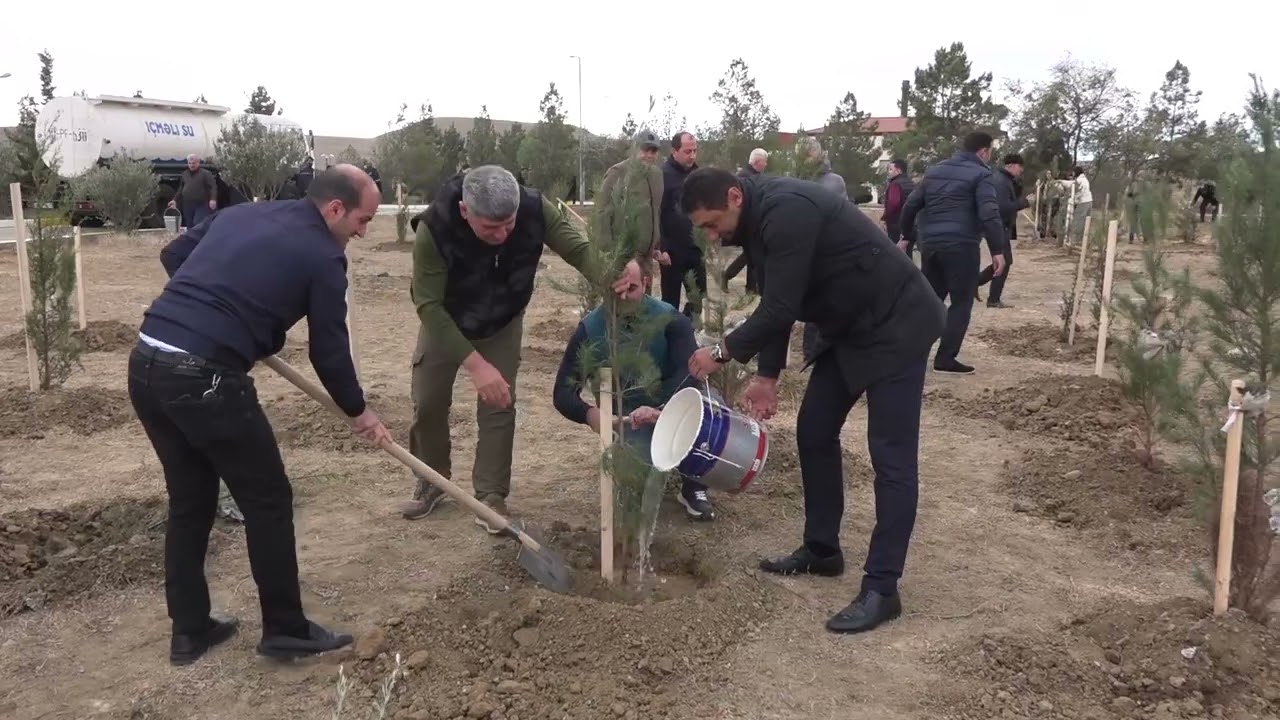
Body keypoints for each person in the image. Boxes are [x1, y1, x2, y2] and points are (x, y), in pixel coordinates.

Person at [133, 164, 388, 665]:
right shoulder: (324, 256)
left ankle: (189, 632)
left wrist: (214, 307)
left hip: (146, 362)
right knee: (267, 498)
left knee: (190, 501)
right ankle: (286, 629)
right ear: (335, 209)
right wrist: (359, 411)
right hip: (203, 377)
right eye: (363, 220)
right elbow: (330, 355)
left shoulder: (240, 215)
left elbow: (174, 253)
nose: (363, 231)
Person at [679, 167, 946, 634]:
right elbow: (781, 301)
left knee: (892, 457)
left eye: (711, 222)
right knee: (814, 431)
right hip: (849, 329)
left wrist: (721, 353)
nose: (711, 235)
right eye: (702, 228)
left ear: (735, 197)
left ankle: (883, 587)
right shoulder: (756, 223)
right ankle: (823, 550)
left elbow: (780, 308)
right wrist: (766, 374)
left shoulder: (787, 212)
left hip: (898, 325)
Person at [398, 165, 643, 529]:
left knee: (499, 404)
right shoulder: (435, 228)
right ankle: (432, 480)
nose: (501, 235)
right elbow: (429, 305)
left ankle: (491, 496)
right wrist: (476, 365)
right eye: (490, 228)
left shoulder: (534, 208)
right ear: (466, 211)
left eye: (508, 224)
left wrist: (615, 273)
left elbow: (578, 250)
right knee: (429, 401)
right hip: (445, 321)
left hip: (503, 320)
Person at [551, 288, 717, 520]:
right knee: (636, 484)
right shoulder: (590, 330)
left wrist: (660, 411)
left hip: (672, 407)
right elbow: (562, 393)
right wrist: (589, 414)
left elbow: (689, 375)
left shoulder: (669, 319)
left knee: (712, 410)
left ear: (646, 282)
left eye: (631, 288)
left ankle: (694, 487)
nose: (623, 296)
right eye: (615, 289)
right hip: (631, 421)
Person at [899, 131, 1007, 374]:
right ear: (983, 151)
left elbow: (910, 206)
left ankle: (911, 354)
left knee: (931, 301)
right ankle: (945, 358)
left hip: (931, 246)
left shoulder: (935, 171)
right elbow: (989, 213)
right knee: (961, 302)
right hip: (962, 245)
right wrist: (997, 250)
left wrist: (907, 236)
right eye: (990, 152)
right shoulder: (982, 174)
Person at [599, 130, 664, 295]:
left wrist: (656, 245)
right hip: (624, 255)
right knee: (624, 302)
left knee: (645, 304)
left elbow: (655, 212)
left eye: (653, 151)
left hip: (647, 256)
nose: (649, 155)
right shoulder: (618, 172)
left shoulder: (656, 175)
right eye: (645, 150)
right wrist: (609, 254)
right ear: (635, 149)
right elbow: (602, 212)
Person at [658, 131, 707, 323]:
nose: (692, 155)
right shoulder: (663, 175)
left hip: (695, 248)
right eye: (688, 151)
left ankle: (687, 332)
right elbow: (657, 213)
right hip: (671, 252)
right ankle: (669, 338)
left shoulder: (698, 174)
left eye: (695, 150)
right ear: (674, 151)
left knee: (698, 298)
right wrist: (661, 247)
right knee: (670, 302)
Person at [976, 153, 1028, 308]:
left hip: (1001, 226)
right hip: (997, 227)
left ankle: (978, 283)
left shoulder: (1006, 180)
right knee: (1003, 262)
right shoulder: (1000, 181)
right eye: (1019, 167)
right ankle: (992, 298)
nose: (1021, 170)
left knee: (1005, 261)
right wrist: (1023, 203)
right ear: (1010, 166)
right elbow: (1003, 208)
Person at [723, 148, 770, 293]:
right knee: (751, 254)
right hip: (747, 221)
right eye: (764, 161)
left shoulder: (750, 175)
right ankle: (743, 284)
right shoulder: (745, 177)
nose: (766, 165)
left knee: (750, 255)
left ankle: (748, 285)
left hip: (751, 220)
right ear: (757, 162)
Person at [167, 154, 217, 228]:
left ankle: (200, 238)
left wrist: (213, 199)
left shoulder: (206, 174)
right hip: (187, 204)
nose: (191, 165)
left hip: (201, 204)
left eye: (193, 163)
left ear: (198, 163)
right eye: (189, 163)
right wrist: (175, 200)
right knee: (189, 225)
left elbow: (213, 187)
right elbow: (181, 188)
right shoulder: (185, 174)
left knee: (198, 223)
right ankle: (191, 239)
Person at [881, 159, 914, 255]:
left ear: (899, 170)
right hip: (911, 224)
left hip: (896, 223)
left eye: (891, 169)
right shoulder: (911, 183)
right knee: (908, 253)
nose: (889, 172)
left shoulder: (895, 184)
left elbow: (893, 204)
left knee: (896, 253)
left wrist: (884, 218)